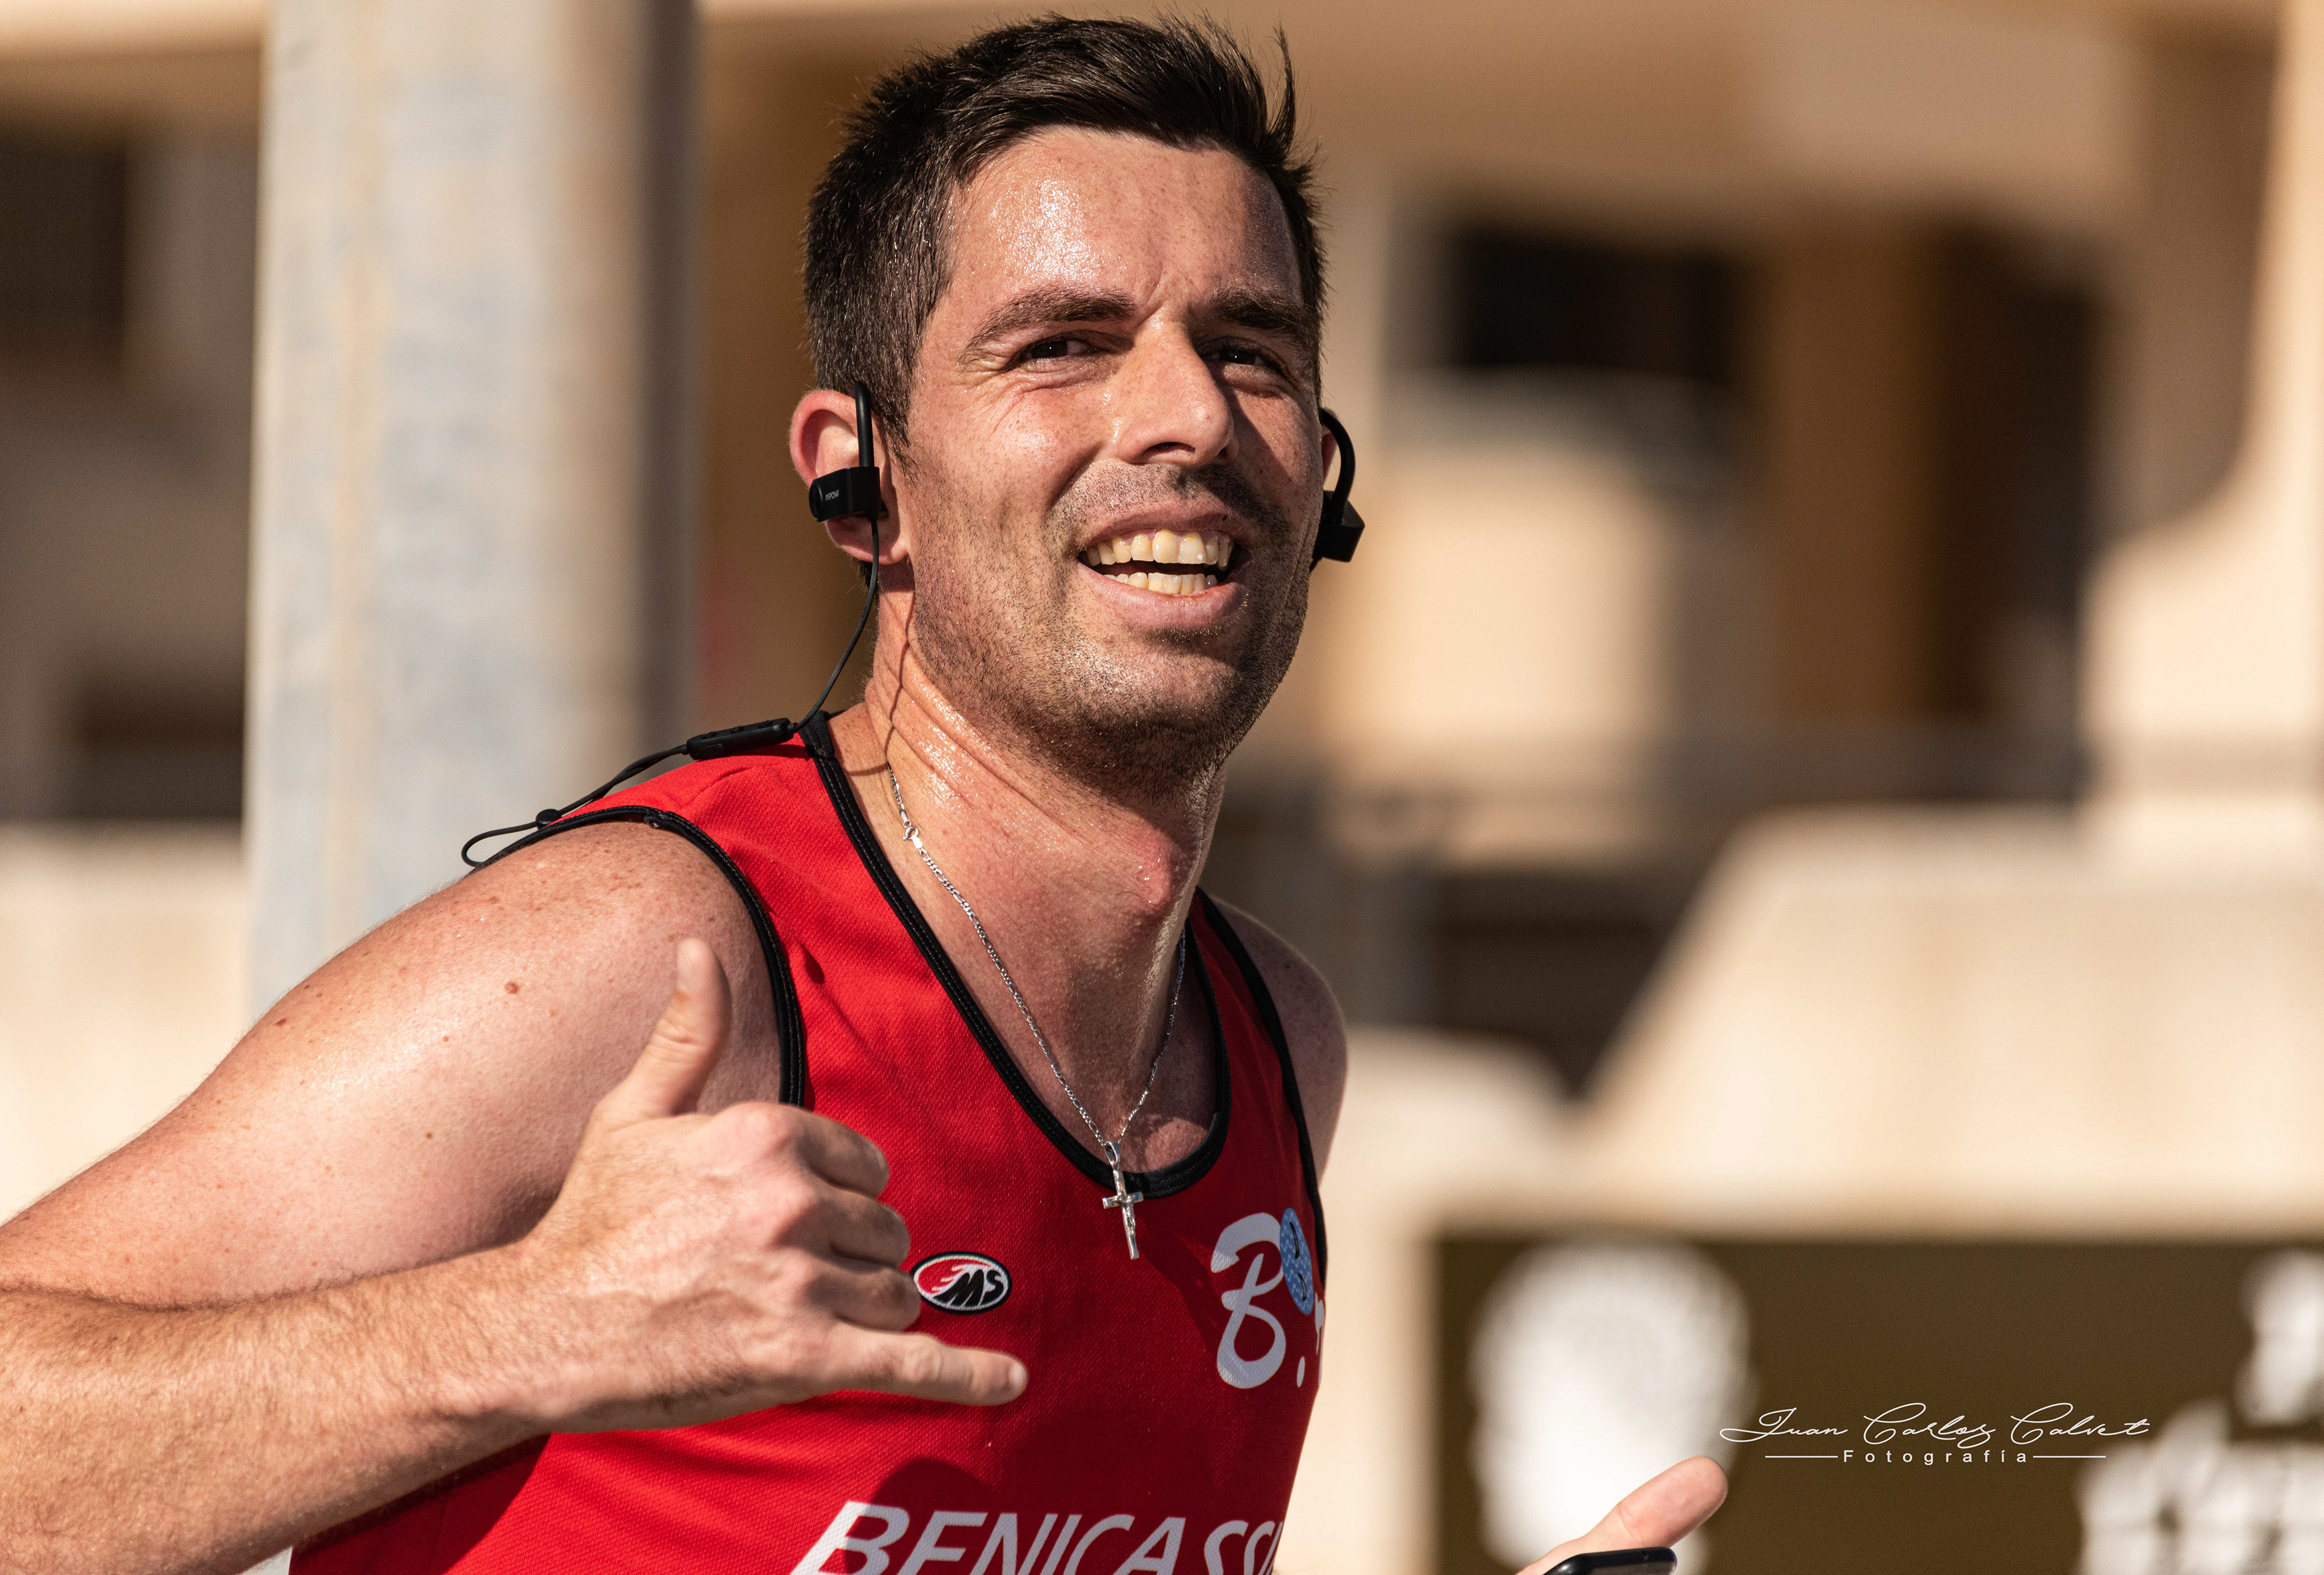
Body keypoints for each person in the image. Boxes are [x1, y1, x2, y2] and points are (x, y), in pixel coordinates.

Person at [0, 17, 1726, 1575]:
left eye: (1252, 348)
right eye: (1065, 345)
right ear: (860, 477)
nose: (1189, 415)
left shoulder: (1276, 1040)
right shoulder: (656, 955)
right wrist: (531, 1324)